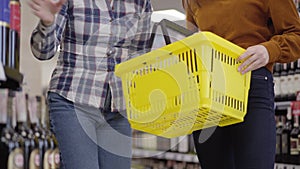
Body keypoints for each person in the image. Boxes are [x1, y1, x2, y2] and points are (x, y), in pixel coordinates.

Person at [28, 0, 152, 168]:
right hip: (73, 100)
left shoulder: (141, 3)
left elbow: (140, 57)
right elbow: (43, 52)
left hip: (118, 110)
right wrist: (47, 22)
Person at [182, 0, 300, 169]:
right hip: (210, 93)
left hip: (251, 83)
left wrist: (270, 50)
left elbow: (296, 34)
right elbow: (192, 39)